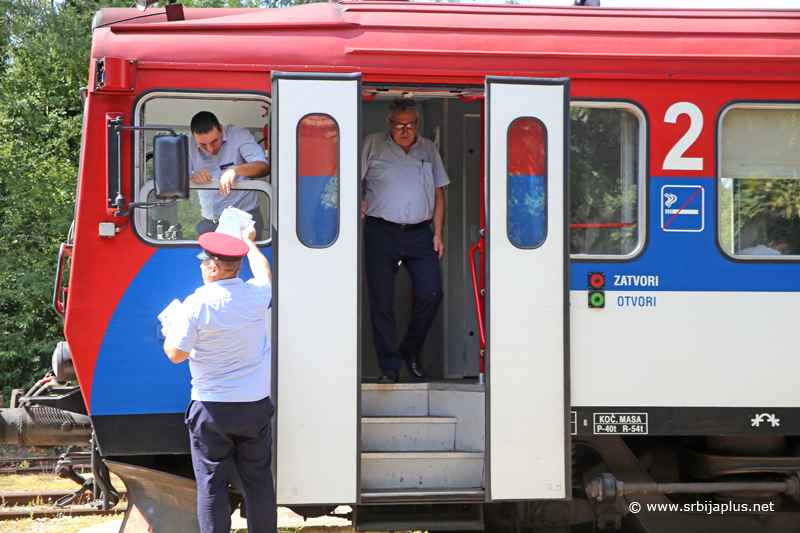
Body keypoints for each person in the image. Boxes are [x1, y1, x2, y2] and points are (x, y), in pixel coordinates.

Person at [162, 229, 274, 533]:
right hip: (255, 406)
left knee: (212, 487)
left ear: (213, 268)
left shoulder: (196, 304)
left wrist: (169, 332)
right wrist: (249, 241)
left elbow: (175, 354)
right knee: (260, 482)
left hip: (212, 409)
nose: (200, 267)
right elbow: (263, 269)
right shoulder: (257, 294)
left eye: (202, 263)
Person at [362, 97, 450, 384]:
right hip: (381, 230)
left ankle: (410, 349)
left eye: (410, 124)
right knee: (381, 302)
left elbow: (438, 193)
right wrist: (357, 202)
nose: (405, 130)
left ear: (417, 123)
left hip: (420, 232)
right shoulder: (372, 144)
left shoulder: (428, 148)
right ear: (389, 123)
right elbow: (348, 180)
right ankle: (389, 366)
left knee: (432, 293)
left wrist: (438, 233)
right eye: (399, 125)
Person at [189, 111, 271, 239]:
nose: (210, 149)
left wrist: (235, 169)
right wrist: (190, 176)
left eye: (214, 141)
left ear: (221, 129)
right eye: (202, 145)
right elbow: (174, 178)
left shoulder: (238, 134)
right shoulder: (187, 143)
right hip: (210, 221)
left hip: (244, 219)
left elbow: (264, 167)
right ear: (194, 137)